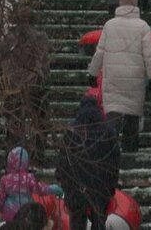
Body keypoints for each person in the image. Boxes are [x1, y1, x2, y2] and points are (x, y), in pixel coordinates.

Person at [88, 0, 151, 153]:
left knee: (113, 114)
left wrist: (92, 73)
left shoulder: (109, 25)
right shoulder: (143, 27)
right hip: (134, 79)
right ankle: (130, 151)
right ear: (136, 5)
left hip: (113, 77)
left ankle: (109, 150)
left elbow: (100, 52)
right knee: (132, 115)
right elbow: (149, 55)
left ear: (120, 5)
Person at [0, 5, 51, 165]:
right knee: (41, 121)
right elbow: (44, 64)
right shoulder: (41, 38)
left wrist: (2, 86)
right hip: (35, 87)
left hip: (13, 88)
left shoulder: (7, 41)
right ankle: (38, 156)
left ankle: (13, 160)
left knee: (14, 125)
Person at [56, 96, 120, 230]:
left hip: (76, 186)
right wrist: (111, 187)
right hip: (100, 185)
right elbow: (114, 161)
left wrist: (63, 181)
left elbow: (63, 160)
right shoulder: (107, 132)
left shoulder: (72, 132)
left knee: (77, 221)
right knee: (99, 220)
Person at [0, 147, 59, 223]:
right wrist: (50, 189)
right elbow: (38, 188)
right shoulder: (28, 178)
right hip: (26, 211)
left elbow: (1, 197)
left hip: (10, 212)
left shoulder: (5, 179)